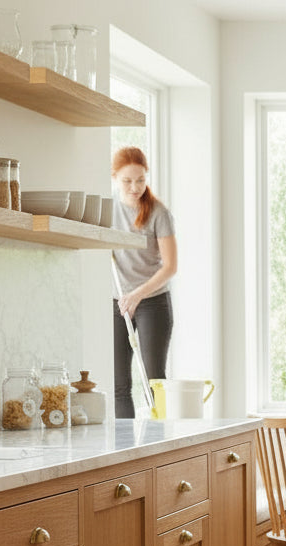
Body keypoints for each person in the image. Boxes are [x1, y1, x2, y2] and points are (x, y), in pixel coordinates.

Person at [111, 146, 178, 418]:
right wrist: (125, 297)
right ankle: (125, 451)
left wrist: (137, 295)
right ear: (115, 177)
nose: (135, 187)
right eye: (127, 180)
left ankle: (160, 443)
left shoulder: (158, 213)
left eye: (140, 179)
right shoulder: (107, 209)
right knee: (119, 384)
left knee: (154, 381)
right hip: (117, 301)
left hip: (153, 301)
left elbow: (171, 266)